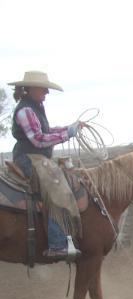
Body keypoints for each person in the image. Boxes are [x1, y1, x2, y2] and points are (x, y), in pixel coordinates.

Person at [8, 71, 82, 260]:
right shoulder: (25, 110)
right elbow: (39, 139)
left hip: (37, 157)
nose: (47, 93)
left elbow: (47, 131)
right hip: (28, 158)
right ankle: (57, 244)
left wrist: (68, 128)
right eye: (44, 89)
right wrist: (68, 134)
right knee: (57, 188)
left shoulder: (35, 107)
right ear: (31, 89)